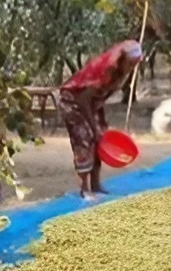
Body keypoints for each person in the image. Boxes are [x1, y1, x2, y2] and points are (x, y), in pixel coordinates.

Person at [58, 40, 145, 198]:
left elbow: (101, 96)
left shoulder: (121, 74)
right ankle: (85, 189)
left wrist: (100, 123)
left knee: (101, 140)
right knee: (84, 139)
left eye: (135, 64)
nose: (132, 68)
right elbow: (83, 99)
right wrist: (93, 126)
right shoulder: (107, 70)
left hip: (91, 104)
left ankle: (96, 185)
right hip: (73, 101)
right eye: (130, 63)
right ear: (123, 59)